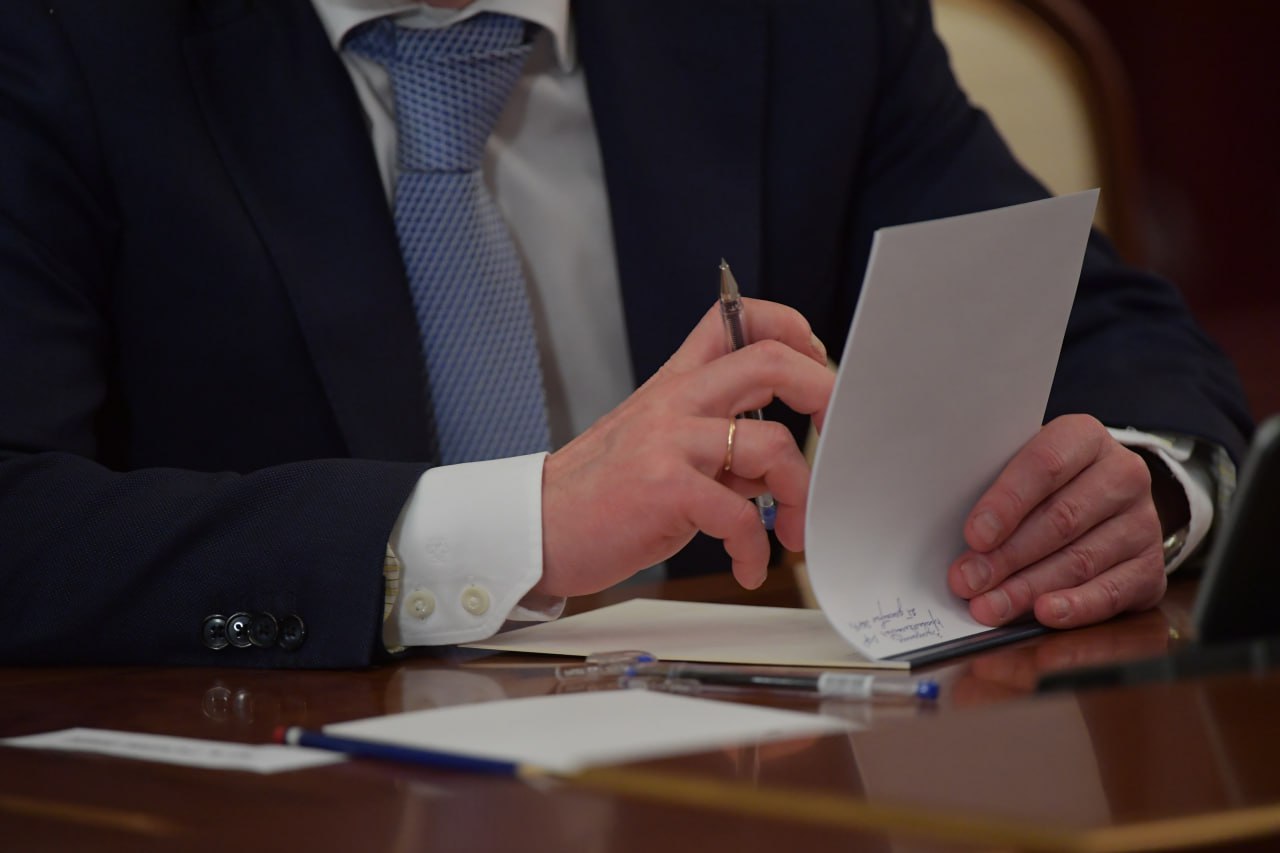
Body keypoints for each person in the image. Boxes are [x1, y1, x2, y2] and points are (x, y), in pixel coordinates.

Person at [0, 0, 1251, 667]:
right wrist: (520, 525)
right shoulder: (57, 40)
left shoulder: (795, 21)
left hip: (749, 782)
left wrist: (1130, 489)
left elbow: (1100, 327)